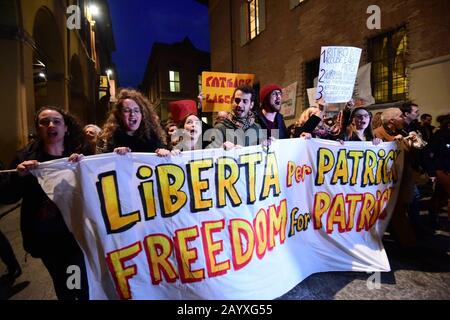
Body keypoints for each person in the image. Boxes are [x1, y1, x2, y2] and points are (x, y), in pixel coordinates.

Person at [0, 106, 90, 299]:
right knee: (62, 281)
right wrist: (19, 176)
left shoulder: (81, 154)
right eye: (44, 122)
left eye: (57, 121)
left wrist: (85, 167)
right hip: (46, 238)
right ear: (38, 129)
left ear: (65, 128)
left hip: (74, 236)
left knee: (77, 280)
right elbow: (8, 197)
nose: (51, 125)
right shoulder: (25, 158)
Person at [97, 88, 170, 156]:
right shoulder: (109, 138)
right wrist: (113, 155)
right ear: (119, 114)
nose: (132, 114)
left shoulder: (154, 136)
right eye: (127, 110)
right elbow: (101, 164)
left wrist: (166, 154)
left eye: (136, 110)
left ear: (142, 114)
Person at [211, 85, 262, 149]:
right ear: (232, 101)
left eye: (245, 101)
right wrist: (220, 149)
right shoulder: (220, 128)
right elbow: (211, 154)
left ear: (251, 105)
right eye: (237, 100)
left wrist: (269, 145)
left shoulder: (257, 128)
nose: (240, 105)